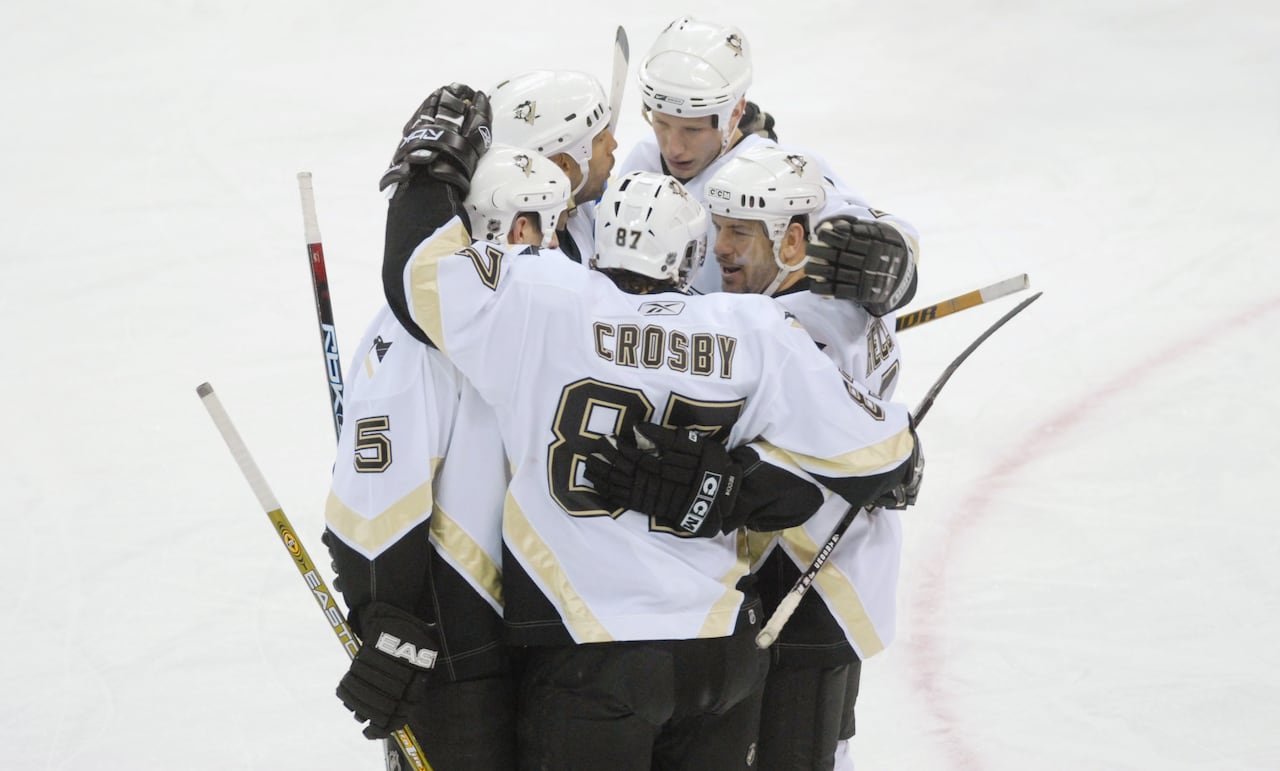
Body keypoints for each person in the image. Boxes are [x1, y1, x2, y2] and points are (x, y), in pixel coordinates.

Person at [375, 82, 921, 771]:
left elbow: (414, 275)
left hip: (591, 652)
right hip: (723, 660)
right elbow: (894, 459)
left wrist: (429, 166)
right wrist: (735, 487)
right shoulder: (756, 329)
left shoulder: (545, 302)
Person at [324, 144, 572, 771]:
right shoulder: (419, 335)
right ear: (522, 227)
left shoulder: (534, 314)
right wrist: (384, 621)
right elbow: (379, 490)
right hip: (453, 646)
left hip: (537, 637)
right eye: (557, 223)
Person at [709, 144, 914, 770]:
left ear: (793, 242)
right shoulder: (849, 304)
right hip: (845, 573)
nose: (720, 248)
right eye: (719, 228)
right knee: (831, 747)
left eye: (741, 232)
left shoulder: (791, 334)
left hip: (804, 580)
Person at [619, 14, 919, 311]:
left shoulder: (775, 174)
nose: (674, 148)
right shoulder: (643, 158)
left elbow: (894, 239)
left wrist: (890, 260)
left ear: (736, 113)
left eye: (693, 129)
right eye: (660, 123)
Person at [487, 70, 618, 262]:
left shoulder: (575, 207)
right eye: (600, 139)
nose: (613, 145)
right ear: (562, 166)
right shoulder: (533, 262)